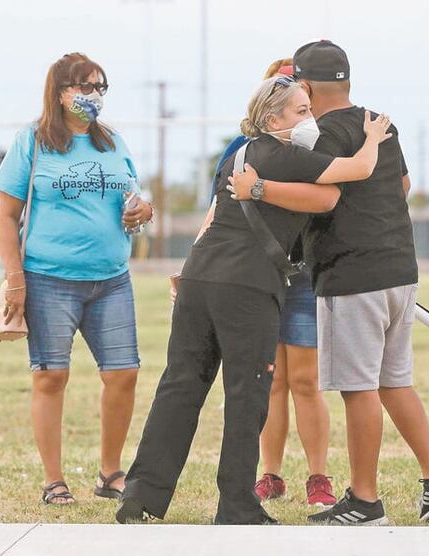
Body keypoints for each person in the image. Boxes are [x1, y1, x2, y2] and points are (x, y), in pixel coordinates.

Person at [116, 74, 391, 525]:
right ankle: (237, 504)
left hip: (201, 277)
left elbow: (220, 215)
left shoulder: (240, 154)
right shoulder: (285, 154)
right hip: (247, 286)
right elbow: (357, 171)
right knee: (247, 394)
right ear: (271, 117)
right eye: (301, 112)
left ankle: (141, 492)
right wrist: (374, 136)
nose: (310, 121)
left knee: (180, 386)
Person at [231, 41, 429, 525]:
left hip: (352, 274)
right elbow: (402, 188)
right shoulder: (381, 122)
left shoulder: (318, 135)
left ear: (306, 87)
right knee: (395, 381)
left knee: (359, 390)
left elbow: (322, 196)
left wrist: (260, 189)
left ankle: (365, 500)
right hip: (400, 268)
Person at [0, 52, 154, 505]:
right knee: (51, 377)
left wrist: (144, 211)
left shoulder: (113, 142)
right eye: (84, 87)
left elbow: (136, 199)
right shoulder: (33, 142)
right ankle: (54, 480)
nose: (93, 96)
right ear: (60, 92)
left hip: (111, 279)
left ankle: (109, 472)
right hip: (48, 279)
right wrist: (16, 279)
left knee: (124, 374)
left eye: (100, 87)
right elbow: (5, 216)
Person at [208, 58, 336, 510]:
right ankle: (271, 473)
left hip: (301, 274)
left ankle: (319, 476)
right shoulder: (242, 148)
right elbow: (217, 207)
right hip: (255, 274)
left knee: (305, 378)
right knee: (270, 379)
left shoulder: (318, 145)